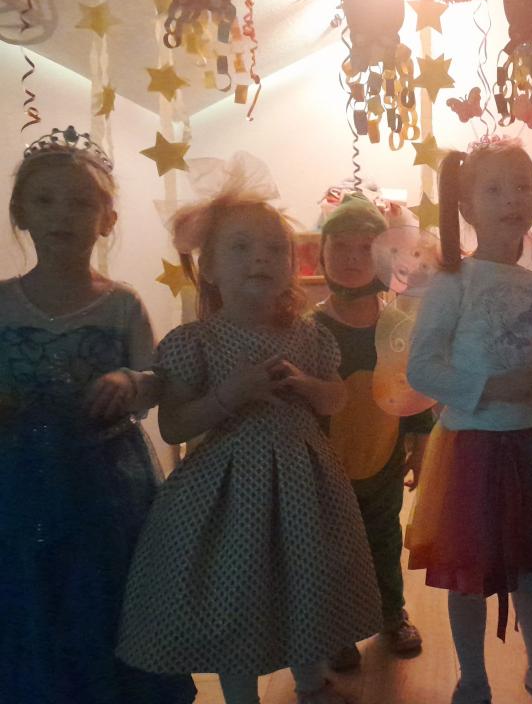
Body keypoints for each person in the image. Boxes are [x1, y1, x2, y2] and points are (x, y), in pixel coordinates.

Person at [116, 181, 381, 704]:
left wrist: (307, 386)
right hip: (228, 495)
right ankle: (242, 695)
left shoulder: (309, 334)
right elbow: (174, 426)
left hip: (305, 486)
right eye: (241, 247)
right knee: (236, 593)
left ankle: (311, 681)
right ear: (210, 268)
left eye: (274, 248)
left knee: (307, 581)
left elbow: (336, 399)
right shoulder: (195, 341)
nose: (260, 258)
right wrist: (229, 395)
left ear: (291, 265)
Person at [0, 126, 196, 704]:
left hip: (106, 486)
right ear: (20, 213)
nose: (62, 214)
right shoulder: (2, 301)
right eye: (45, 200)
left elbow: (158, 381)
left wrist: (131, 380)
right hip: (16, 483)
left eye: (81, 203)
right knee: (30, 592)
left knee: (104, 591)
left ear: (107, 220)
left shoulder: (121, 303)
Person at [405, 137, 532, 704]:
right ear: (466, 206)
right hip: (474, 450)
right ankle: (473, 678)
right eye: (494, 189)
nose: (512, 199)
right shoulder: (453, 281)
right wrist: (491, 388)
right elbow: (422, 367)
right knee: (468, 577)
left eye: (522, 187)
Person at [313, 191, 432, 670]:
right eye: (340, 247)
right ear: (321, 254)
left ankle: (390, 613)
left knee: (383, 537)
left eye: (365, 248)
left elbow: (413, 388)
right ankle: (336, 628)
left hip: (384, 458)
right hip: (325, 470)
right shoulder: (310, 330)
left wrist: (421, 443)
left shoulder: (397, 325)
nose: (351, 258)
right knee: (331, 547)